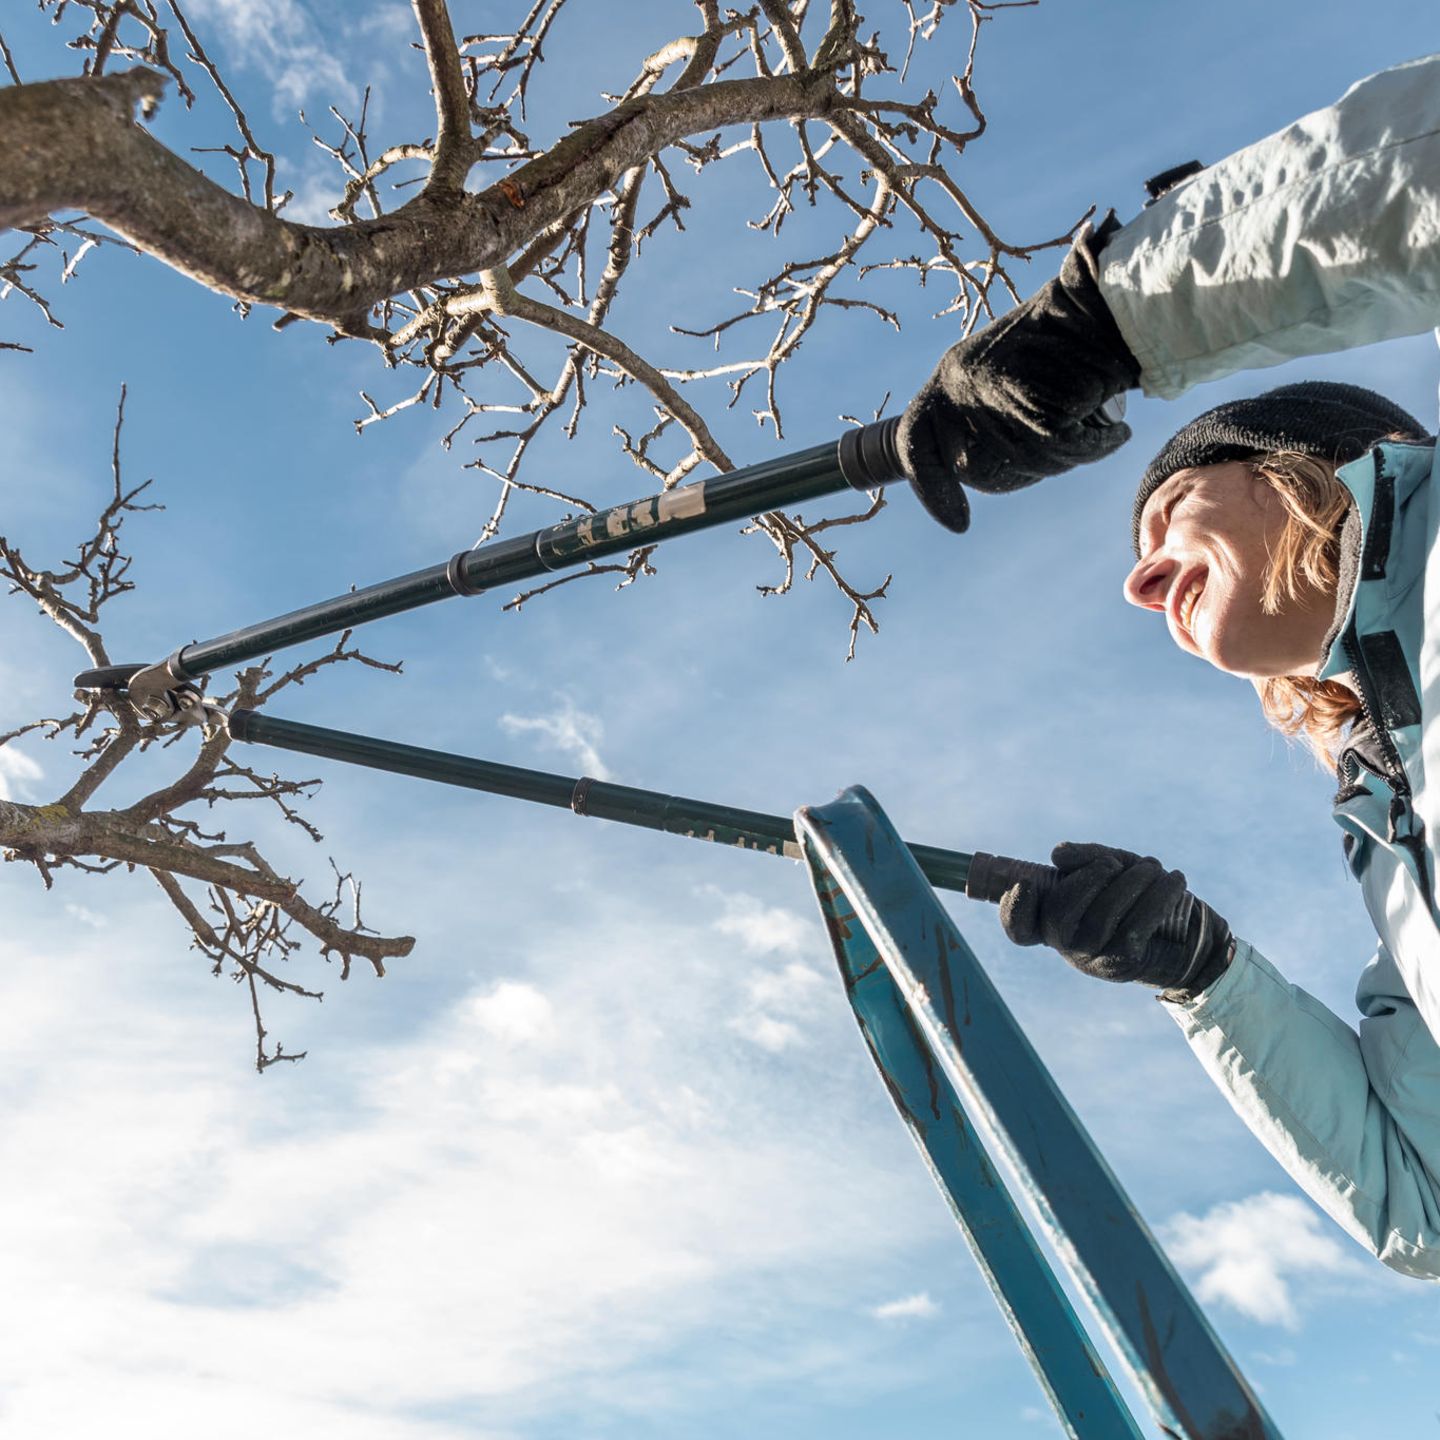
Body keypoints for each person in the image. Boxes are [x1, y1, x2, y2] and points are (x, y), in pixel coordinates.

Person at [897, 53, 1440, 1277]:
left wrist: (1122, 318)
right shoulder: (1397, 840)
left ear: (1303, 465)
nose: (1143, 587)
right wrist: (1198, 970)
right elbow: (1425, 1205)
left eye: (1174, 508)